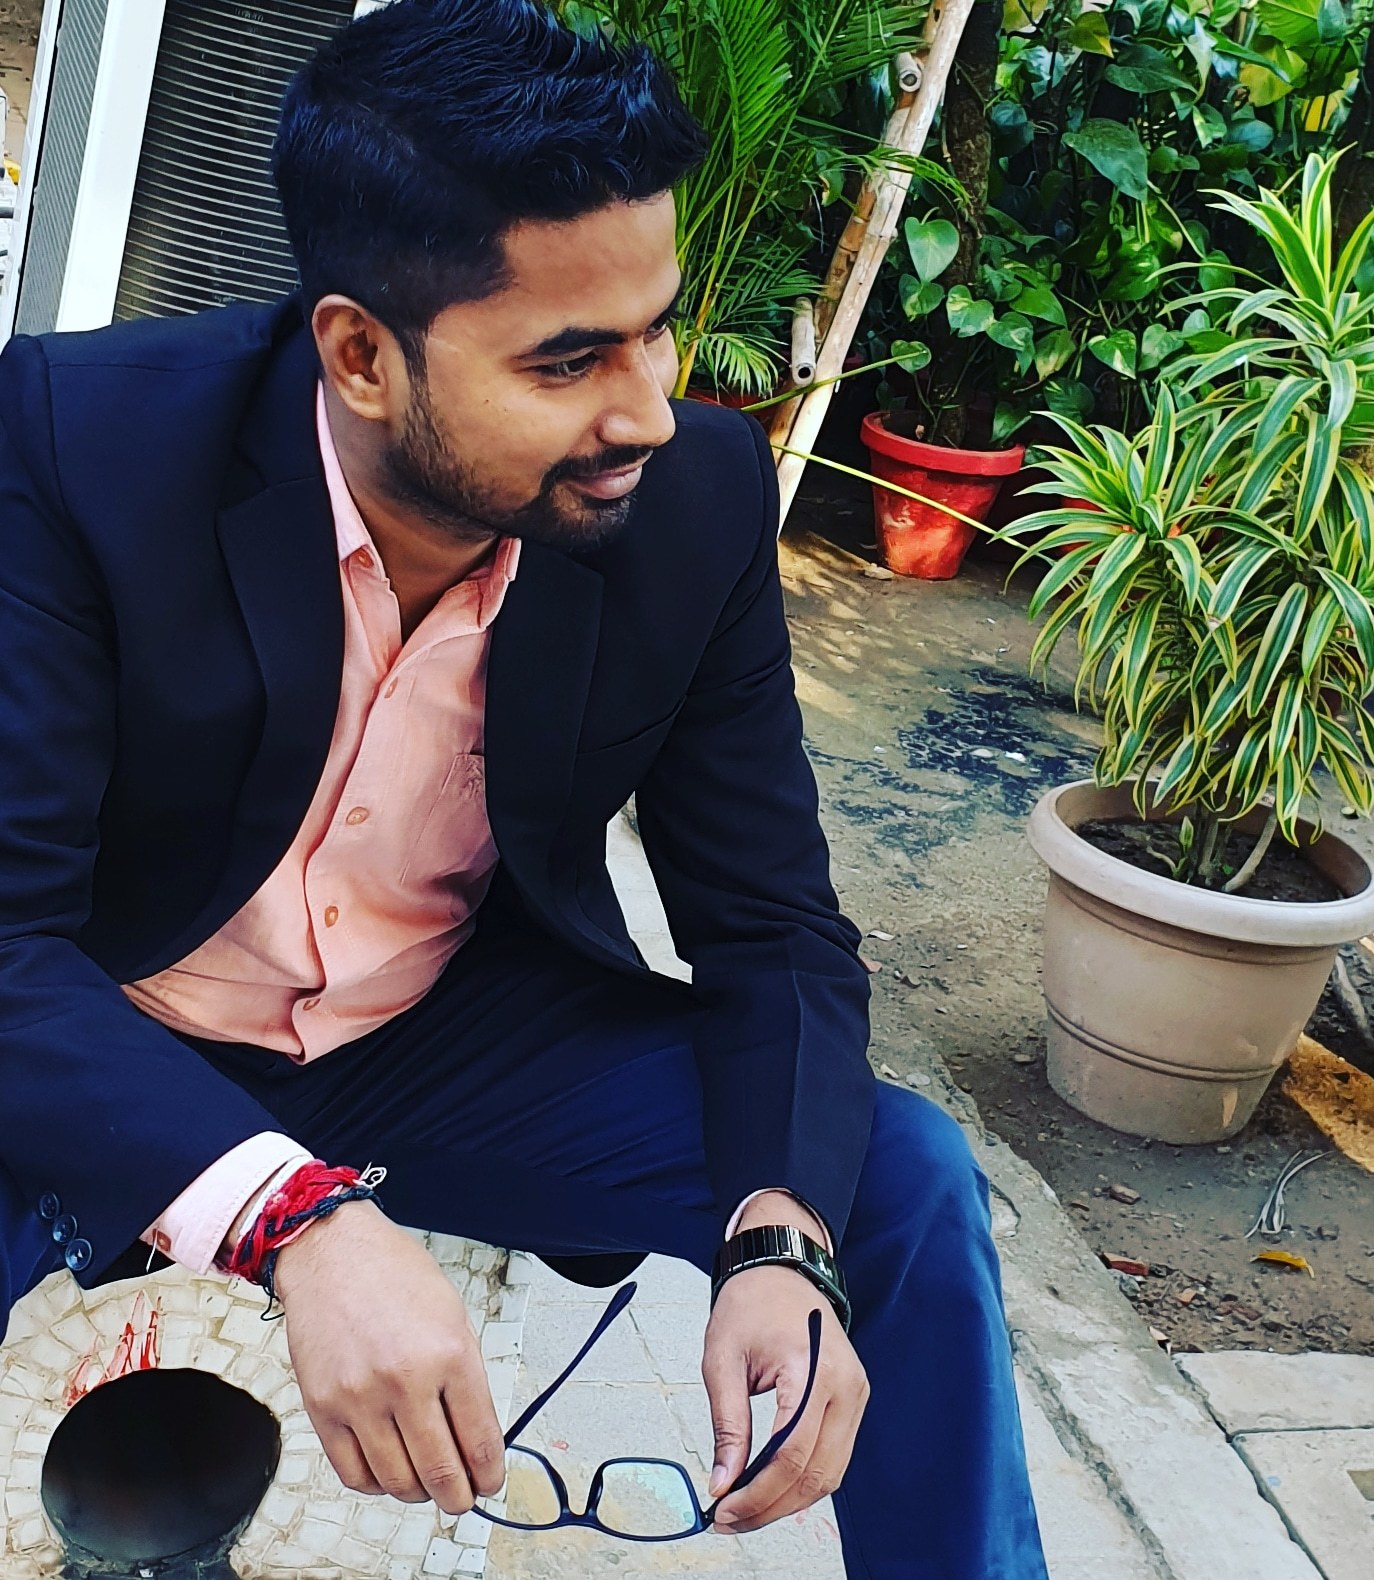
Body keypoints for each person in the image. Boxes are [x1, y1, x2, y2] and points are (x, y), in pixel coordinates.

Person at [0, 2, 1048, 1573]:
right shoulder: (79, 448)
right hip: (105, 1023)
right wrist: (295, 1220)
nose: (645, 410)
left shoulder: (690, 501)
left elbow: (769, 922)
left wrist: (782, 1242)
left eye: (655, 330)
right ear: (361, 354)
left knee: (898, 1180)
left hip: (429, 1040)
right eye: (567, 360)